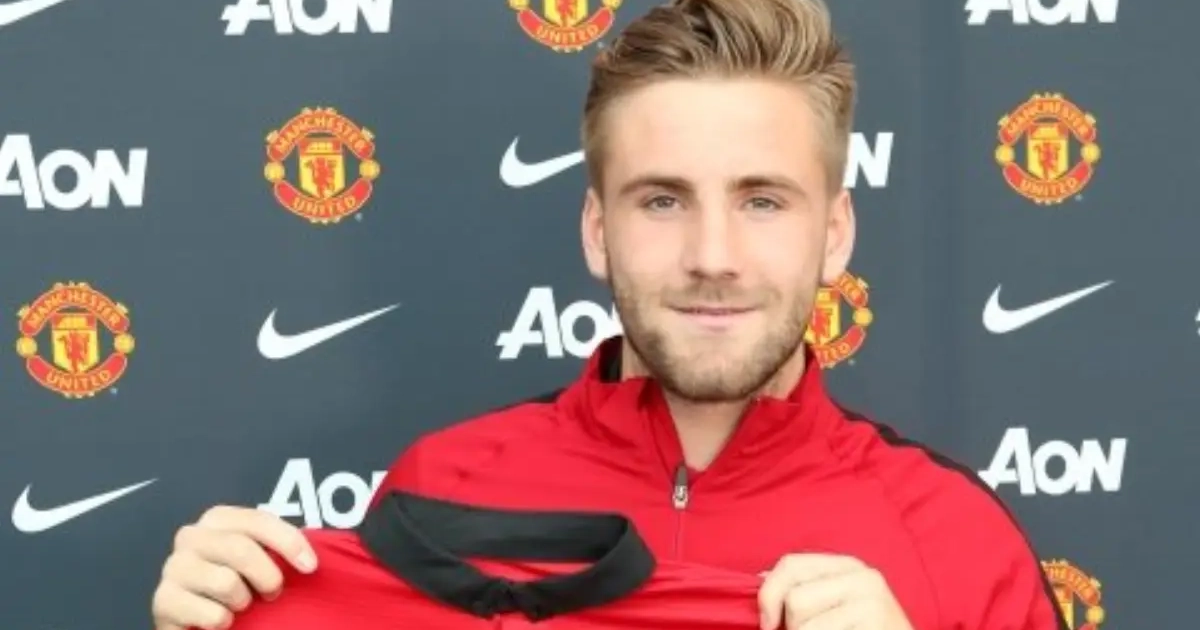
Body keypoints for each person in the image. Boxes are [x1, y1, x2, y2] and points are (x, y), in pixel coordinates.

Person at [152, 0, 1069, 628]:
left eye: (762, 201)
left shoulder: (954, 539)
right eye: (662, 200)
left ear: (835, 234)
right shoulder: (442, 493)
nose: (713, 255)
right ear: (598, 230)